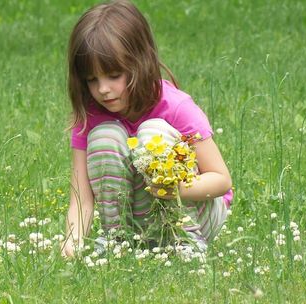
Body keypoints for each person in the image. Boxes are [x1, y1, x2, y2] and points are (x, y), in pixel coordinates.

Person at [62, 0, 233, 258]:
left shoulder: (175, 107)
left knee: (152, 132)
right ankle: (117, 240)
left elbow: (221, 181)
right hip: (142, 220)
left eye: (113, 75)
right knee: (105, 137)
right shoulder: (90, 116)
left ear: (139, 62)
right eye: (91, 80)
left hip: (198, 212)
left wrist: (173, 188)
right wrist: (72, 244)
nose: (103, 89)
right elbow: (81, 197)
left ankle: (185, 241)